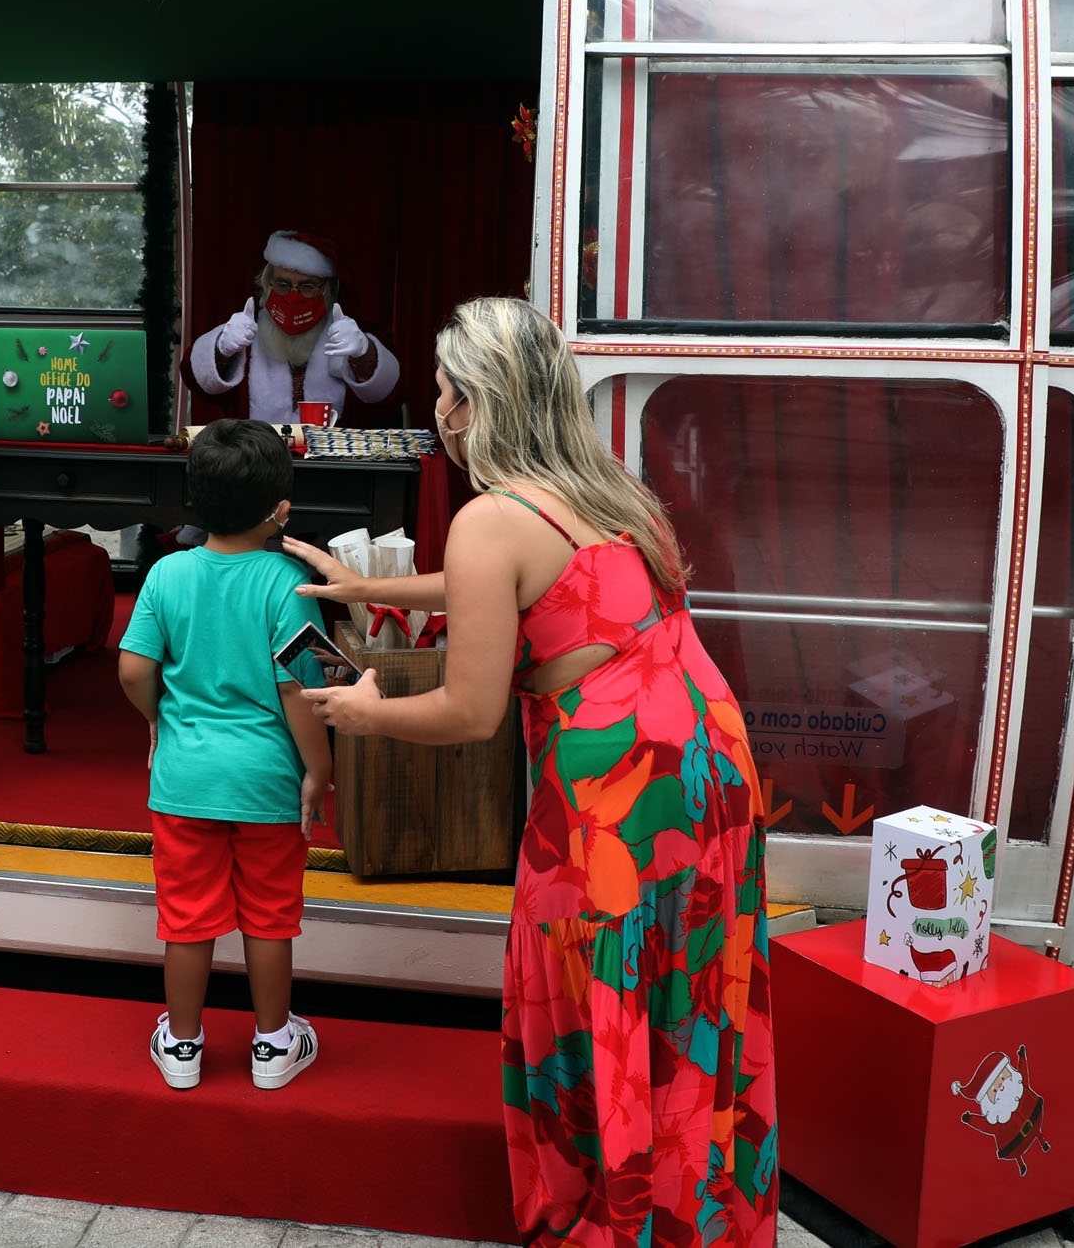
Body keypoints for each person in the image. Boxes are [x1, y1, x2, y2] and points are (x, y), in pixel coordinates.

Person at [286, 298, 775, 1248]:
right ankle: (692, 1211)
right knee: (685, 996)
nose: (435, 408)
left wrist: (363, 717)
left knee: (592, 999)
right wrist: (365, 587)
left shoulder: (488, 517)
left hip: (611, 790)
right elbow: (517, 583)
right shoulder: (609, 491)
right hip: (705, 764)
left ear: (475, 403)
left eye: (442, 389)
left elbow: (469, 711)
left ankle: (608, 1219)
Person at [117, 418, 336, 1092]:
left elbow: (132, 669)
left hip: (185, 780)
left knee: (187, 917)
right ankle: (273, 1044)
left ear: (194, 499)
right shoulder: (290, 582)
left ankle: (182, 1044)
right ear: (280, 509)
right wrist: (319, 768)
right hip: (267, 780)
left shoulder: (166, 574)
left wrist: (158, 720)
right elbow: (300, 687)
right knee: (269, 916)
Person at [189, 231, 399, 424]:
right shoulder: (244, 332)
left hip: (331, 451)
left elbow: (387, 401)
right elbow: (202, 386)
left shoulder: (349, 335)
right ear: (268, 284)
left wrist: (363, 355)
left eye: (307, 286)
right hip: (257, 450)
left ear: (327, 290)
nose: (293, 297)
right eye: (283, 284)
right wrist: (221, 349)